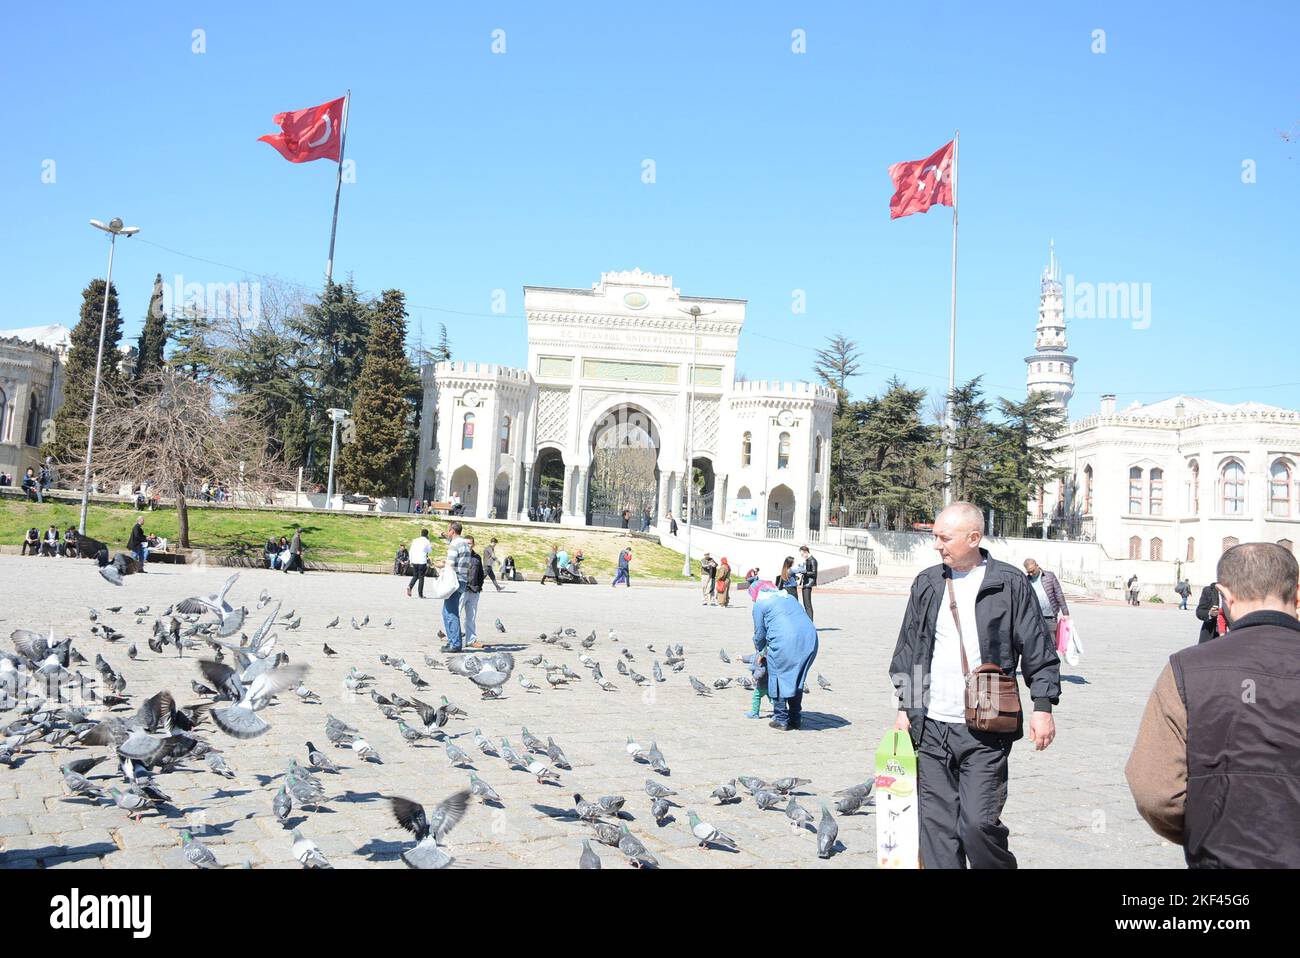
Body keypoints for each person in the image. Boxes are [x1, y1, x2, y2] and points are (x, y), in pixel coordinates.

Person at [889, 501, 1060, 869]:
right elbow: (910, 649)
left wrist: (1043, 707)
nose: (937, 545)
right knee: (937, 831)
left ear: (973, 537)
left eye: (944, 537)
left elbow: (1037, 647)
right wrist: (905, 707)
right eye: (935, 536)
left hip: (986, 728)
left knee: (978, 825)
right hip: (931, 726)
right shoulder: (928, 583)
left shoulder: (1009, 583)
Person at [1126, 542, 1300, 867]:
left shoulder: (1185, 669)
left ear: (1225, 595)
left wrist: (1208, 830)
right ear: (1298, 593)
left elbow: (1154, 791)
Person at [750, 579, 818, 730]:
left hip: (785, 642)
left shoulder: (760, 605)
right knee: (797, 677)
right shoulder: (789, 597)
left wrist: (761, 651)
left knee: (778, 677)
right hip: (810, 640)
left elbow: (760, 634)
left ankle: (781, 719)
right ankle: (795, 717)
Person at [434, 521, 471, 653]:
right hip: (462, 580)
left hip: (454, 581)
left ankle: (455, 643)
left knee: (450, 612)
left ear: (452, 531)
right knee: (447, 611)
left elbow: (450, 564)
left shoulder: (455, 544)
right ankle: (452, 640)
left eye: (448, 530)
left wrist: (441, 565)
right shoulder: (465, 544)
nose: (447, 532)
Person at [1023, 558, 1069, 640]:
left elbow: (1059, 593)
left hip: (1050, 616)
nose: (1031, 574)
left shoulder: (1049, 576)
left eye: (1032, 571)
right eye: (1029, 572)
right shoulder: (1026, 580)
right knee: (1037, 641)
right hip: (1035, 616)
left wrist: (1065, 613)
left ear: (1037, 566)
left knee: (1051, 642)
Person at [460, 534, 486, 650]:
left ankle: (471, 639)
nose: (468, 545)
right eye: (466, 543)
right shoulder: (459, 555)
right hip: (461, 589)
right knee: (456, 614)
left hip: (474, 589)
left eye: (470, 543)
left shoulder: (477, 557)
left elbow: (481, 573)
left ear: (473, 544)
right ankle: (455, 639)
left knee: (471, 616)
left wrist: (479, 586)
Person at [740, 647, 769, 718]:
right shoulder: (759, 653)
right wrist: (742, 658)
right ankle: (781, 711)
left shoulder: (763, 659)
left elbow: (761, 670)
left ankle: (754, 713)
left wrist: (754, 677)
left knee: (756, 696)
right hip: (770, 683)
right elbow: (751, 657)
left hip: (762, 683)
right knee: (773, 698)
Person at [406, 529, 432, 597]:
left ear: (421, 533)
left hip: (415, 560)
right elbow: (430, 551)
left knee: (415, 576)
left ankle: (410, 586)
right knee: (421, 577)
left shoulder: (415, 540)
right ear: (427, 534)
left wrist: (411, 561)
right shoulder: (426, 541)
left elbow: (410, 551)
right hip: (422, 561)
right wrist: (428, 542)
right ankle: (420, 594)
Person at [797, 545, 819, 621]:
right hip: (805, 583)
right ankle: (809, 622)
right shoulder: (808, 560)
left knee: (808, 604)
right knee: (806, 604)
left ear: (806, 552)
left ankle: (810, 623)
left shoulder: (812, 560)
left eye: (802, 554)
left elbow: (814, 573)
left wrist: (804, 572)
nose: (802, 556)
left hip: (808, 584)